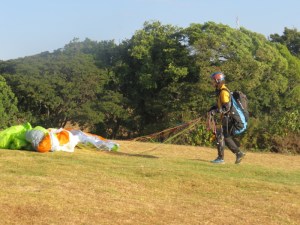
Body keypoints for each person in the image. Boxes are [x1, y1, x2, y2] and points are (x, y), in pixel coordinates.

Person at [208, 72, 246, 164]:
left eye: (213, 81)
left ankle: (222, 158)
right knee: (225, 136)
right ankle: (238, 153)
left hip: (230, 119)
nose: (212, 83)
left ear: (218, 81)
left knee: (222, 136)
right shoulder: (221, 91)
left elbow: (226, 107)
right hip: (228, 118)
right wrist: (212, 109)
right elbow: (221, 106)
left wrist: (215, 112)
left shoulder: (224, 92)